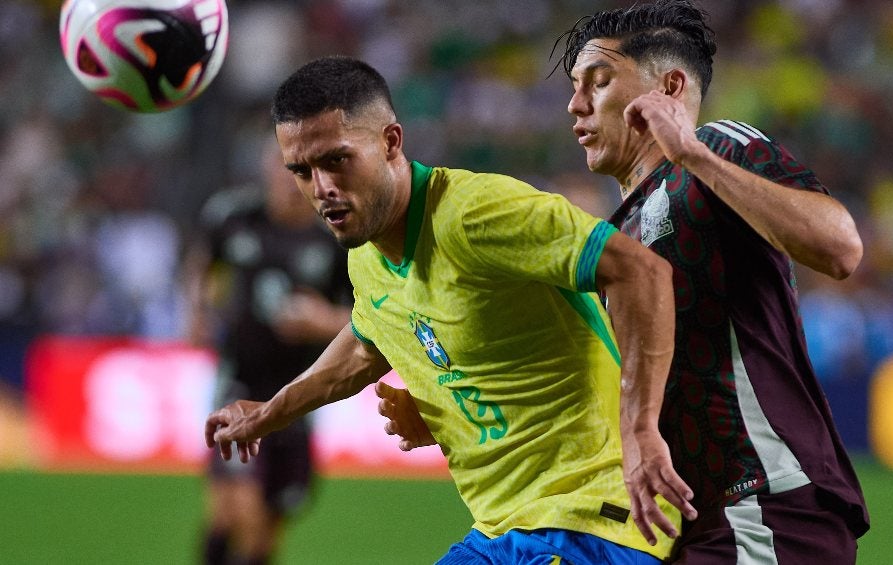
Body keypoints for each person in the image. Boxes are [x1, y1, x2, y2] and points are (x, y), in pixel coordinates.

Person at [205, 55, 697, 564]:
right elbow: (362, 343)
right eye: (301, 171)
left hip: (598, 518)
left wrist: (643, 428)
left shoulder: (478, 212)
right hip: (500, 531)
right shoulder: (367, 259)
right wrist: (268, 412)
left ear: (391, 142)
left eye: (336, 160)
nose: (321, 188)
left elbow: (641, 271)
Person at [557, 1, 870, 562]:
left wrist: (692, 153)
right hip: (691, 524)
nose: (576, 105)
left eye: (598, 83)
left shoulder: (719, 148)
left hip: (764, 506)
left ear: (670, 87)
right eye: (575, 87)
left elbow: (840, 246)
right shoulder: (617, 234)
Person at [188, 141, 353, 565]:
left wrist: (321, 320)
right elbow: (202, 263)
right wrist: (198, 312)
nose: (284, 179)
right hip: (238, 383)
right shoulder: (233, 216)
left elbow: (364, 319)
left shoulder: (335, 237)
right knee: (241, 513)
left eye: (296, 171)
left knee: (263, 537)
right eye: (278, 167)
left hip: (297, 397)